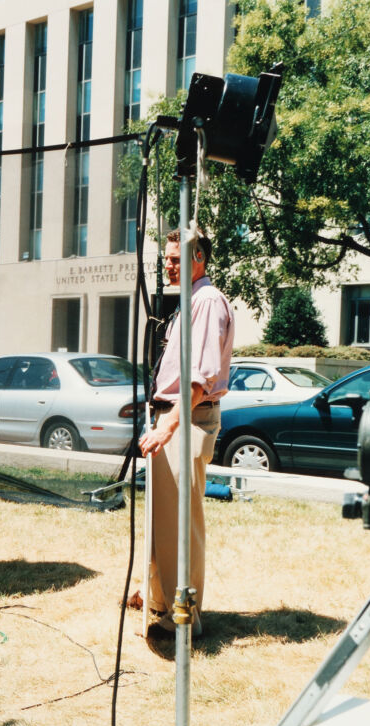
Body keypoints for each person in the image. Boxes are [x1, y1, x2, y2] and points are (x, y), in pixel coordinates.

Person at [138, 229, 234, 637]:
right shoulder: (189, 302)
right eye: (167, 258)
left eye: (177, 258)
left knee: (182, 525)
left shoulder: (207, 301)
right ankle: (160, 604)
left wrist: (168, 424)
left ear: (200, 259)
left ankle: (184, 618)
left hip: (186, 420)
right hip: (175, 419)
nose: (168, 265)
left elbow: (199, 381)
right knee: (165, 519)